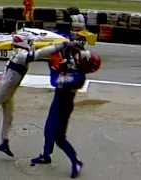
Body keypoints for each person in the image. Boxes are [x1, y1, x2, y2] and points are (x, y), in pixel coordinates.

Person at [0, 32, 73, 157]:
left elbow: (37, 50)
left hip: (8, 91)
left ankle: (4, 142)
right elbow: (38, 54)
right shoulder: (21, 56)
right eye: (30, 42)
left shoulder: (19, 53)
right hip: (2, 90)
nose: (32, 44)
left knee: (9, 117)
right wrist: (60, 46)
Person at [30, 43, 102, 179]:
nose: (76, 56)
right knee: (48, 131)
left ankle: (76, 162)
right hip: (57, 102)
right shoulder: (76, 64)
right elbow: (69, 53)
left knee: (59, 138)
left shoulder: (78, 78)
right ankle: (45, 155)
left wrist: (53, 67)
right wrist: (69, 45)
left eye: (79, 57)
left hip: (63, 106)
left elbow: (55, 81)